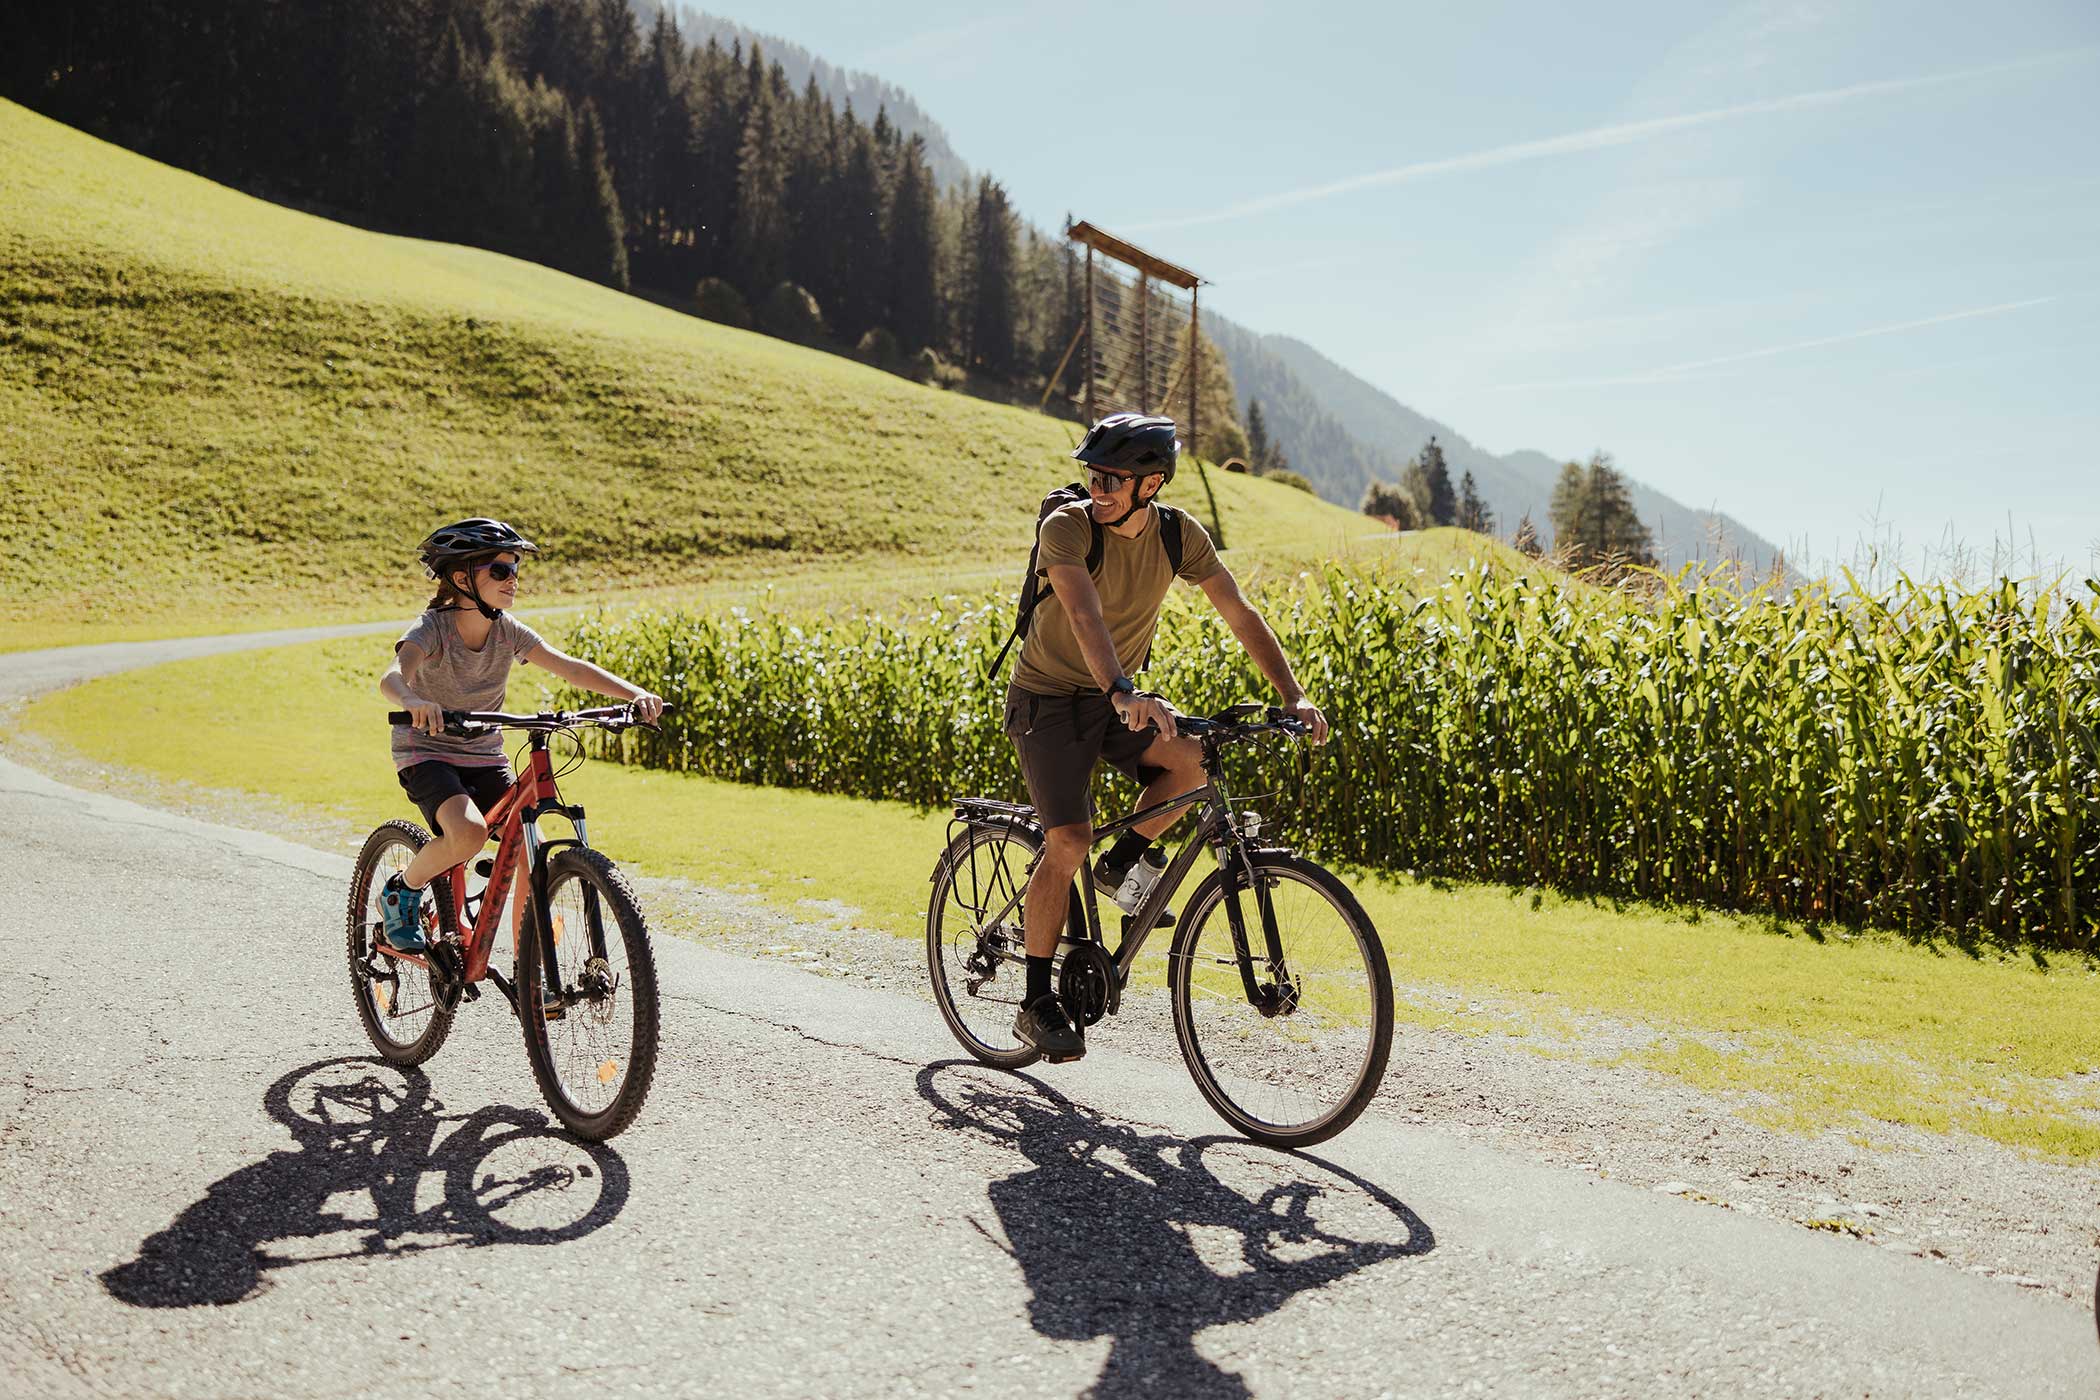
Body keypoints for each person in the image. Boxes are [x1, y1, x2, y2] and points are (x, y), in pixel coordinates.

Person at [1004, 414, 1330, 1062]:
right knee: (1066, 839)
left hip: (1117, 698)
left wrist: (1292, 694)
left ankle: (1121, 862)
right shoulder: (1065, 528)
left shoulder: (1179, 535)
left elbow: (1240, 611)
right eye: (1092, 475)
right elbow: (1081, 611)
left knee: (1196, 764)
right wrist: (1124, 690)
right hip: (1049, 699)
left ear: (1151, 484)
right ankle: (1036, 1000)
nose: (1097, 488)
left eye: (1112, 479)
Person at [374, 518, 663, 953]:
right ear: (461, 578)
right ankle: (403, 889)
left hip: (485, 755)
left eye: (515, 569)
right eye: (500, 570)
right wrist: (413, 701)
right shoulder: (433, 629)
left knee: (532, 852)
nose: (513, 580)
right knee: (469, 833)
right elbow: (392, 677)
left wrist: (635, 693)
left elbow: (570, 666)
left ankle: (531, 959)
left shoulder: (507, 629)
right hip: (428, 753)